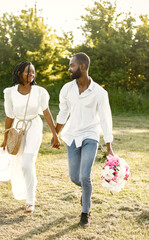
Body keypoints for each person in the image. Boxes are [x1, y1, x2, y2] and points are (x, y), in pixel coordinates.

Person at [52, 53, 114, 227]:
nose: (69, 69)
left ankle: (85, 213)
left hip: (90, 136)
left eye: (72, 65)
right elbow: (63, 113)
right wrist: (55, 134)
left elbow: (105, 119)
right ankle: (86, 191)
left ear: (83, 66)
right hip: (72, 136)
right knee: (75, 177)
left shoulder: (100, 93)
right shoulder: (67, 89)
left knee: (85, 176)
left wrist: (109, 146)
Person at [0, 61, 60, 213]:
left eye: (33, 72)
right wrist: (5, 138)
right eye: (28, 72)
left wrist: (55, 135)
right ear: (19, 73)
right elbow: (9, 117)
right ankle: (25, 193)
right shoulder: (10, 93)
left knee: (27, 163)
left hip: (34, 126)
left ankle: (30, 201)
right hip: (17, 128)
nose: (31, 75)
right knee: (18, 163)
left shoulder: (40, 92)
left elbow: (46, 113)